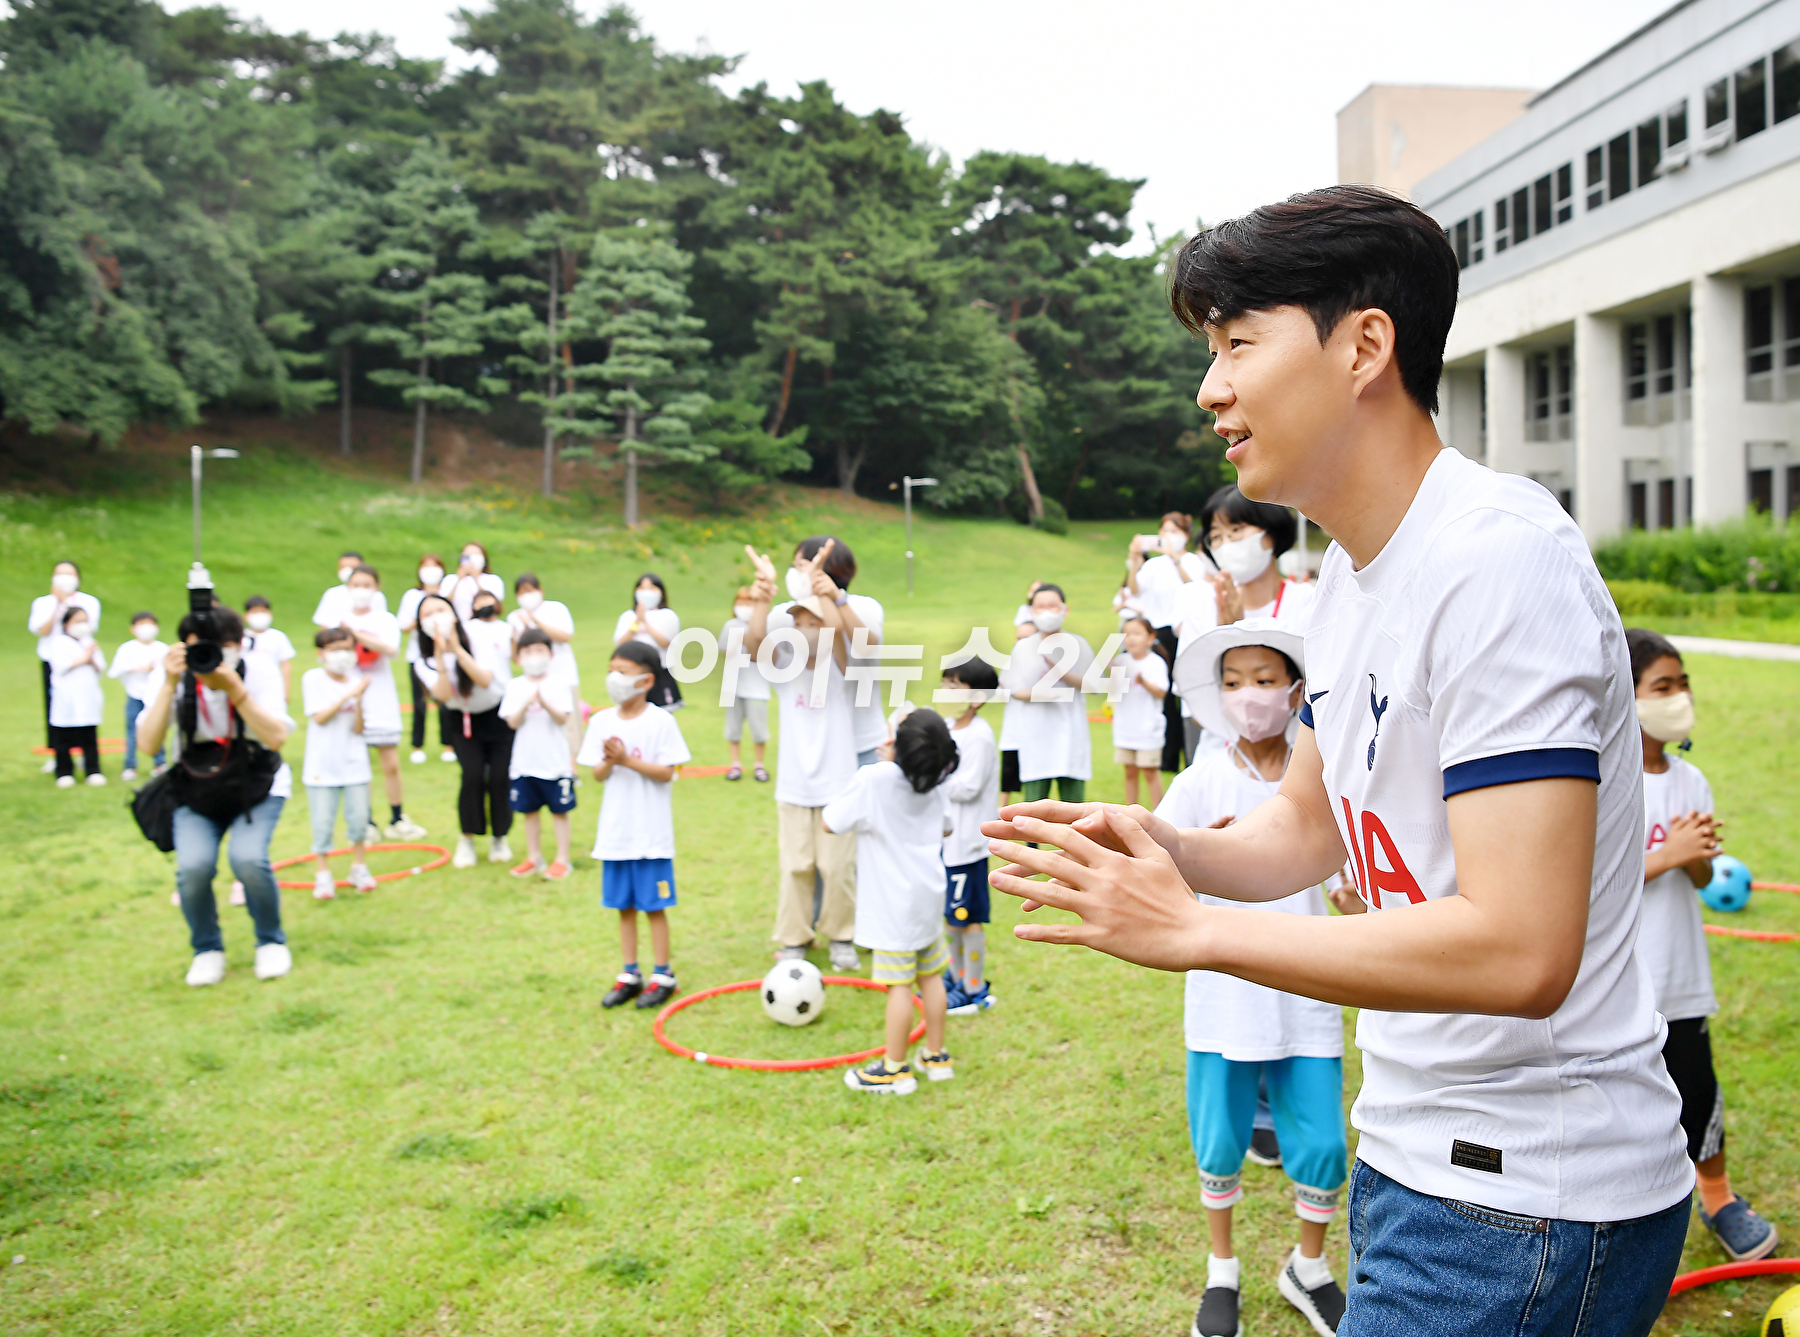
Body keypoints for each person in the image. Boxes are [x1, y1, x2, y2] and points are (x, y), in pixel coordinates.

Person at [985, 186, 1693, 1336]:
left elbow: (1522, 947)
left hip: (1527, 1195)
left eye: (1236, 344)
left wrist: (1196, 933)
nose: (1210, 389)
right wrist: (1162, 843)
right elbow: (1304, 827)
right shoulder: (1357, 577)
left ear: (1365, 344)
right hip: (1420, 1152)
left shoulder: (1496, 564)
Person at [1160, 621, 1352, 1337]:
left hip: (1306, 984)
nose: (1251, 695)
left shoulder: (1328, 781)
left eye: (1265, 678)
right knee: (1219, 1135)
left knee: (1322, 1141)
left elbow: (1355, 881)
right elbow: (1155, 878)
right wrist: (1188, 856)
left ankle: (1310, 1265)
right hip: (1225, 997)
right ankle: (1222, 1269)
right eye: (1234, 680)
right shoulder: (1199, 781)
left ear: (1297, 690)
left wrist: (1351, 898)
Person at [1626, 628, 1779, 1262]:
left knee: (1698, 1087)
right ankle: (1627, 1214)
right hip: (1630, 979)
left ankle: (1717, 1197)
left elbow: (1699, 875)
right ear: (1624, 695)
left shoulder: (1692, 780)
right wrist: (1671, 853)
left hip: (1683, 974)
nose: (1679, 696)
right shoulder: (1606, 783)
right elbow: (1592, 880)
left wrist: (1695, 858)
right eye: (1663, 686)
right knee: (1627, 1101)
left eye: (1683, 683)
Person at [135, 602, 294, 986]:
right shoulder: (173, 676)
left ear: (239, 645)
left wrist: (237, 692)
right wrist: (170, 683)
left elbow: (276, 737)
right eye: (197, 648)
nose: (207, 658)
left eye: (217, 648)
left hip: (256, 784)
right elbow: (146, 743)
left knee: (248, 859)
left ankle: (270, 941)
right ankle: (206, 948)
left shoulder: (257, 669)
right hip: (197, 789)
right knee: (192, 868)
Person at [825, 708, 960, 1094]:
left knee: (899, 986)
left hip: (892, 907)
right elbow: (947, 827)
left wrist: (886, 766)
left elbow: (830, 822)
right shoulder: (935, 775)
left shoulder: (875, 778)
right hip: (928, 897)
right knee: (930, 976)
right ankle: (936, 1056)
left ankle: (894, 1069)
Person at [743, 543, 861, 971]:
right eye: (799, 623)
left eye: (814, 623)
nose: (807, 630)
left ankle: (842, 936)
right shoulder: (784, 672)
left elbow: (840, 633)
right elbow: (756, 643)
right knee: (795, 866)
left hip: (838, 784)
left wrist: (823, 593)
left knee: (837, 866)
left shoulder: (842, 669)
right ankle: (794, 937)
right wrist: (761, 601)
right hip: (794, 785)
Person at [578, 640, 691, 1010]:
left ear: (645, 681)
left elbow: (666, 772)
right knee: (623, 906)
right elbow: (596, 774)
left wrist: (626, 760)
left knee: (653, 906)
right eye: (611, 670)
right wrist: (611, 761)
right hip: (616, 835)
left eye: (622, 672)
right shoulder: (600, 722)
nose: (614, 678)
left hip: (651, 836)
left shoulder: (661, 721)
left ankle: (662, 974)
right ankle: (630, 973)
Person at [1170, 487, 1316, 763]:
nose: (1226, 544)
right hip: (1221, 760)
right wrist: (1227, 634)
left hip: (1295, 761)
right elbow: (1197, 704)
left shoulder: (1309, 602)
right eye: (1216, 537)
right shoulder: (1203, 604)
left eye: (1236, 531)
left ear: (1270, 532)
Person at [763, 537, 886, 765]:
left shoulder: (864, 608)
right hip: (815, 744)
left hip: (864, 742)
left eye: (800, 566)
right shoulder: (786, 615)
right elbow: (758, 644)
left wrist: (835, 599)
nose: (793, 573)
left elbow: (865, 646)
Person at [418, 590, 515, 868]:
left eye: (440, 610)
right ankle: (467, 838)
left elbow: (484, 679)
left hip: (497, 714)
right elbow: (443, 695)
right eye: (427, 614)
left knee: (499, 776)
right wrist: (440, 658)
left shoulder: (478, 635)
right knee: (471, 775)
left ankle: (500, 836)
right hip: (462, 720)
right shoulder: (424, 659)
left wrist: (456, 649)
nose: (435, 618)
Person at [339, 565, 426, 842]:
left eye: (367, 584)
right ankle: (365, 821)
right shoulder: (339, 620)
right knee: (358, 765)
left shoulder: (384, 619)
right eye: (356, 584)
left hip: (381, 697)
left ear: (376, 587)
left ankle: (397, 816)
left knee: (390, 763)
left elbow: (389, 649)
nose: (361, 590)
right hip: (352, 700)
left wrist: (357, 635)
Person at [938, 656, 1001, 1015]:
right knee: (950, 915)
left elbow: (968, 787)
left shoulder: (979, 736)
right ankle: (955, 974)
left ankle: (974, 987)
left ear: (976, 697)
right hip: (947, 842)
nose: (946, 691)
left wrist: (933, 775)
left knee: (966, 915)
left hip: (967, 845)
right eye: (945, 683)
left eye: (955, 686)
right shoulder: (948, 727)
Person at [1125, 512, 1210, 771]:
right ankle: (1168, 757)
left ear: (1185, 534)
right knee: (1164, 696)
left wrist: (1176, 560)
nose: (1168, 536)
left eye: (1174, 531)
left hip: (1185, 632)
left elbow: (1197, 588)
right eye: (1164, 531)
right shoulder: (1153, 566)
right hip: (1158, 632)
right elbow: (1135, 589)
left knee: (1184, 692)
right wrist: (1133, 560)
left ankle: (1191, 755)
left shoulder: (1192, 561)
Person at [300, 627, 377, 900]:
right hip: (322, 764)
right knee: (322, 822)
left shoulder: (356, 680)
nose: (342, 656)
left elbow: (359, 727)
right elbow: (319, 717)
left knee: (358, 819)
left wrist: (358, 699)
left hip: (354, 761)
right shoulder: (313, 679)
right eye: (335, 650)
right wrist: (349, 695)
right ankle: (323, 874)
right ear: (321, 654)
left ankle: (358, 867)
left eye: (346, 649)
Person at [1004, 584, 1094, 804]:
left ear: (1064, 609)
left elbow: (1094, 685)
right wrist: (1042, 693)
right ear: (1032, 611)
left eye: (1052, 606)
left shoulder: (1078, 644)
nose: (1046, 611)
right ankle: (1032, 841)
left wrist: (1061, 672)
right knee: (1034, 806)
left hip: (1071, 733)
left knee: (1075, 809)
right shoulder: (1023, 647)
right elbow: (1015, 689)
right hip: (1036, 735)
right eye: (1040, 606)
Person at [501, 627, 576, 879]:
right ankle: (534, 856)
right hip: (524, 762)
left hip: (554, 762)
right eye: (528, 651)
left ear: (550, 654)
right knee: (529, 811)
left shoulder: (558, 683)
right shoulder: (514, 686)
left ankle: (562, 858)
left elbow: (562, 717)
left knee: (559, 811)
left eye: (539, 650)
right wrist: (526, 702)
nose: (534, 656)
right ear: (519, 656)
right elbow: (512, 722)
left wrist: (544, 702)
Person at [30, 561, 101, 772]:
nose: (64, 578)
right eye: (59, 574)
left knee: (84, 707)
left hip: (83, 660)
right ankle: (58, 752)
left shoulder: (89, 602)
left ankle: (83, 752)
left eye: (69, 574)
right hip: (53, 661)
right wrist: (58, 604)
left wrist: (68, 604)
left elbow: (86, 626)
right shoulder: (43, 603)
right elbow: (42, 630)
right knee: (56, 708)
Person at [508, 572, 581, 763]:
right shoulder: (515, 617)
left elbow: (565, 636)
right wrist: (523, 629)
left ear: (540, 590)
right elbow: (516, 653)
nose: (526, 595)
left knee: (569, 722)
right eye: (522, 592)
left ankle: (571, 766)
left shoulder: (556, 609)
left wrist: (535, 622)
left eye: (530, 590)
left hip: (563, 674)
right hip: (533, 678)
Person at [1111, 615, 1170, 809]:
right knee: (1129, 771)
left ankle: (1160, 813)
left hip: (1148, 728)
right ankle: (1132, 811)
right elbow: (1113, 690)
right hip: (1125, 727)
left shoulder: (1156, 663)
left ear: (1151, 638)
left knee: (1150, 772)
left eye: (1137, 634)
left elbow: (1161, 692)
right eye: (1126, 634)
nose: (1131, 639)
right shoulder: (1121, 660)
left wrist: (1143, 681)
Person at [47, 605, 107, 787]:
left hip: (88, 695)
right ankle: (64, 771)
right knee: (63, 735)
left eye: (85, 621)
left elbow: (101, 666)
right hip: (66, 696)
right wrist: (85, 657)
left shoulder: (89, 641)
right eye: (78, 621)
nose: (82, 625)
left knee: (89, 734)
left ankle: (93, 770)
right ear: (67, 623)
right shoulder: (59, 642)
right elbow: (60, 666)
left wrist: (91, 657)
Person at [398, 554, 448, 764]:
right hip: (417, 655)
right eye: (425, 566)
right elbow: (403, 625)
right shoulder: (412, 595)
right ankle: (417, 745)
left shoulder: (447, 592)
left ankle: (449, 744)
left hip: (444, 655)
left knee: (445, 702)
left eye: (434, 566)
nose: (430, 570)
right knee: (419, 702)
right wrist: (423, 617)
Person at [109, 611, 168, 781]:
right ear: (133, 629)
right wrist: (138, 667)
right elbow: (116, 670)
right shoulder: (128, 648)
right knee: (132, 731)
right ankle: (130, 765)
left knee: (157, 728)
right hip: (135, 695)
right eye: (142, 624)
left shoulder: (162, 648)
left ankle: (160, 762)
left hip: (155, 696)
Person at [720, 586, 770, 782]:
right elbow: (726, 652)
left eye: (749, 603)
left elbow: (762, 654)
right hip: (733, 686)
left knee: (759, 730)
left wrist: (749, 638)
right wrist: (736, 641)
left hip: (757, 687)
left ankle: (759, 765)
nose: (744, 606)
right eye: (740, 602)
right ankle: (735, 764)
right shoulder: (730, 625)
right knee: (733, 728)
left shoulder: (762, 625)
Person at [612, 573, 682, 711]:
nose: (646, 593)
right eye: (642, 588)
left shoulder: (667, 615)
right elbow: (621, 643)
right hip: (633, 673)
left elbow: (664, 642)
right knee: (634, 709)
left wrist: (645, 621)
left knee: (663, 711)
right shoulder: (628, 616)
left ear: (661, 593)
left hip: (660, 671)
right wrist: (637, 620)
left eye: (651, 588)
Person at [312, 551, 386, 628]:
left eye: (352, 567)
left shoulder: (376, 595)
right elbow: (324, 623)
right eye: (343, 567)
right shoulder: (332, 593)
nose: (347, 571)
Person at [242, 596, 297, 699]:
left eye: (262, 611)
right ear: (246, 616)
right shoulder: (241, 637)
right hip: (247, 687)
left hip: (272, 686)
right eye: (254, 612)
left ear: (269, 614)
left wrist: (286, 689)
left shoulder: (278, 636)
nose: (259, 615)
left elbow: (285, 664)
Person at [439, 543, 504, 628]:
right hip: (458, 627)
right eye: (467, 555)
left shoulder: (493, 580)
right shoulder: (450, 580)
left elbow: (494, 605)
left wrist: (476, 578)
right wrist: (459, 579)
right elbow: (443, 603)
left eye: (476, 554)